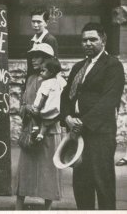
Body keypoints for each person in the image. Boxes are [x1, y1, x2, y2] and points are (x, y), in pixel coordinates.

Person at [60, 22, 125, 210]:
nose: (87, 43)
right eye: (84, 40)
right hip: (77, 134)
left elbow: (108, 101)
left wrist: (83, 123)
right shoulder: (78, 67)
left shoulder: (113, 65)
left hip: (100, 135)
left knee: (103, 185)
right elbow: (65, 97)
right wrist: (67, 118)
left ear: (103, 40)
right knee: (81, 185)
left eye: (92, 39)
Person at [15, 43, 62, 210]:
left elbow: (58, 108)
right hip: (30, 130)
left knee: (48, 171)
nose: (34, 59)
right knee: (25, 171)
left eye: (38, 56)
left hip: (48, 130)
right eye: (32, 56)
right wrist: (26, 109)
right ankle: (18, 208)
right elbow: (22, 104)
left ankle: (47, 208)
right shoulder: (30, 79)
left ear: (48, 59)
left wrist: (39, 114)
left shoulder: (57, 82)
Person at [31, 53, 66, 141]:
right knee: (47, 122)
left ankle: (35, 127)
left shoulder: (46, 83)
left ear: (51, 72)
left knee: (33, 113)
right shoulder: (59, 81)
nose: (41, 72)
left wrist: (38, 108)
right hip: (56, 108)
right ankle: (41, 134)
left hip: (45, 107)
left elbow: (43, 97)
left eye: (43, 71)